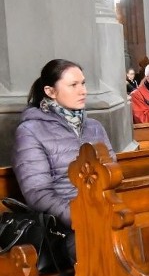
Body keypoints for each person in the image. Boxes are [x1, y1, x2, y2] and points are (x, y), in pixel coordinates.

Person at [12, 59, 115, 260]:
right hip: (64, 229)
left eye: (83, 83)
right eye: (73, 85)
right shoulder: (30, 131)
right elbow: (38, 193)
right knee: (103, 250)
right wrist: (80, 217)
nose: (83, 91)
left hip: (104, 215)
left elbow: (112, 174)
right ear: (50, 92)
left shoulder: (95, 127)